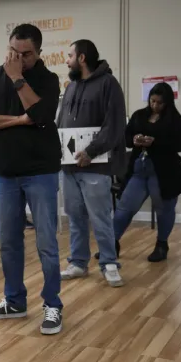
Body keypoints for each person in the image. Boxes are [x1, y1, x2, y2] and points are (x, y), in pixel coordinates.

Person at [0, 24, 63, 335]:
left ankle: (52, 304)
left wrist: (17, 79)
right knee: (8, 242)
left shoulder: (47, 80)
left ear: (38, 53)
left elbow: (40, 115)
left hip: (41, 172)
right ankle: (14, 300)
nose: (18, 59)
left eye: (26, 54)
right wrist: (17, 121)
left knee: (47, 242)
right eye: (14, 52)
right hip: (7, 172)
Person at [58, 39, 126, 287]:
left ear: (82, 58)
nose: (66, 60)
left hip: (96, 166)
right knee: (75, 217)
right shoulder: (71, 87)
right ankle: (78, 262)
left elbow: (115, 126)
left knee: (100, 217)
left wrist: (90, 151)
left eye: (69, 55)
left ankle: (109, 263)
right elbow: (61, 122)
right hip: (69, 168)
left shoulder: (109, 84)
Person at [112, 82, 181, 262]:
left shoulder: (174, 120)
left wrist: (155, 142)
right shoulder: (139, 116)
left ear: (167, 102)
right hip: (139, 171)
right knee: (124, 207)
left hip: (163, 173)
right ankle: (111, 244)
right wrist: (135, 139)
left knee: (164, 209)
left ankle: (162, 245)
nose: (155, 105)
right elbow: (125, 138)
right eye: (152, 101)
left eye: (159, 103)